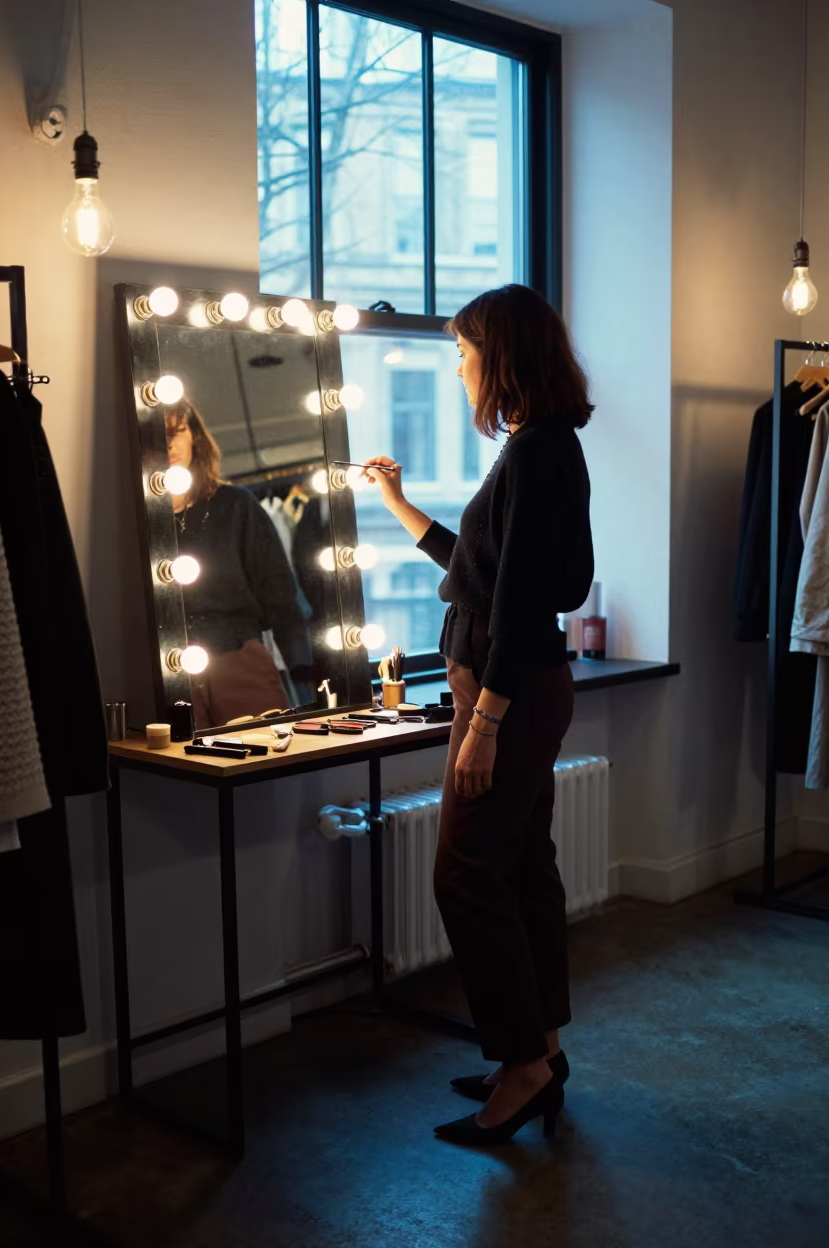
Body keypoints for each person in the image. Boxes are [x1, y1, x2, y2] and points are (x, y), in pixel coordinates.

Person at [362, 284, 594, 1145]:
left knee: (463, 876)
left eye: (463, 350)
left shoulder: (538, 453)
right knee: (524, 866)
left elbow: (526, 601)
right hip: (515, 691)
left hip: (510, 695)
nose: (457, 365)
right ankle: (543, 1052)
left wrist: (486, 719)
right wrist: (402, 509)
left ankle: (524, 1068)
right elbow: (491, 571)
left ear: (499, 356)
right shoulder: (541, 449)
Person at [164, 399, 313, 728]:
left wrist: (305, 676)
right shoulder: (135, 521)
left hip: (237, 656)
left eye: (180, 429)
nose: (171, 442)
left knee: (262, 766)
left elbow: (280, 593)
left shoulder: (235, 506)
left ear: (194, 436)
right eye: (161, 433)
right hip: (166, 670)